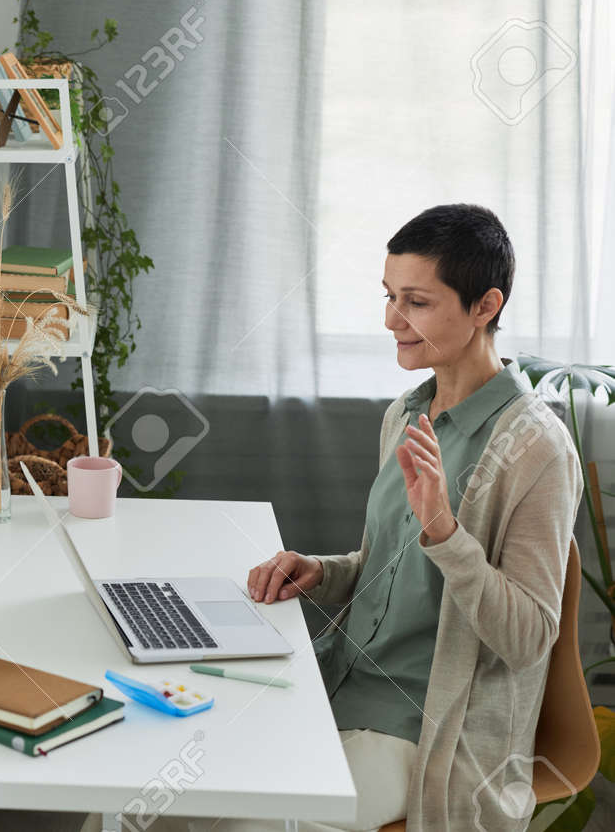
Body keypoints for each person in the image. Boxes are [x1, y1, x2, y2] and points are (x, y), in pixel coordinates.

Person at [226, 204, 583, 831]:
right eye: (389, 297)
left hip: (430, 728)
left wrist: (446, 532)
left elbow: (528, 639)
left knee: (251, 821)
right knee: (148, 794)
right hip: (338, 680)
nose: (391, 320)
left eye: (415, 302)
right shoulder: (407, 413)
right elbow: (388, 567)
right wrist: (322, 571)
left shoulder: (538, 450)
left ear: (484, 306)